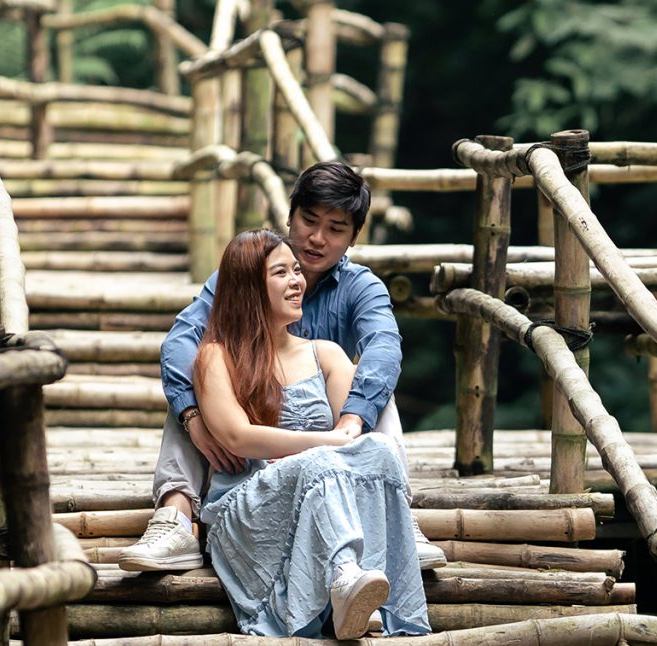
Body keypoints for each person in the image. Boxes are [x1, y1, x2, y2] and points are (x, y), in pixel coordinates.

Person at [117, 161, 446, 573]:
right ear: (289, 216)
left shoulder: (361, 287)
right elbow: (181, 342)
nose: (317, 238)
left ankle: (395, 511)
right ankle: (177, 518)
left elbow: (383, 346)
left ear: (354, 237)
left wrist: (352, 421)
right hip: (247, 428)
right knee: (193, 379)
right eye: (308, 220)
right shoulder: (239, 276)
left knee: (377, 389)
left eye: (336, 228)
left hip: (326, 428)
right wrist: (194, 417)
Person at [181, 230, 431, 639]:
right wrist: (321, 444)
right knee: (320, 461)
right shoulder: (216, 355)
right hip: (248, 506)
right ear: (249, 288)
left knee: (381, 450)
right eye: (282, 273)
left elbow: (353, 442)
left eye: (297, 271)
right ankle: (343, 581)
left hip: (319, 490)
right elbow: (238, 437)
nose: (298, 281)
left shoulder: (326, 354)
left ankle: (366, 591)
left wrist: (329, 446)